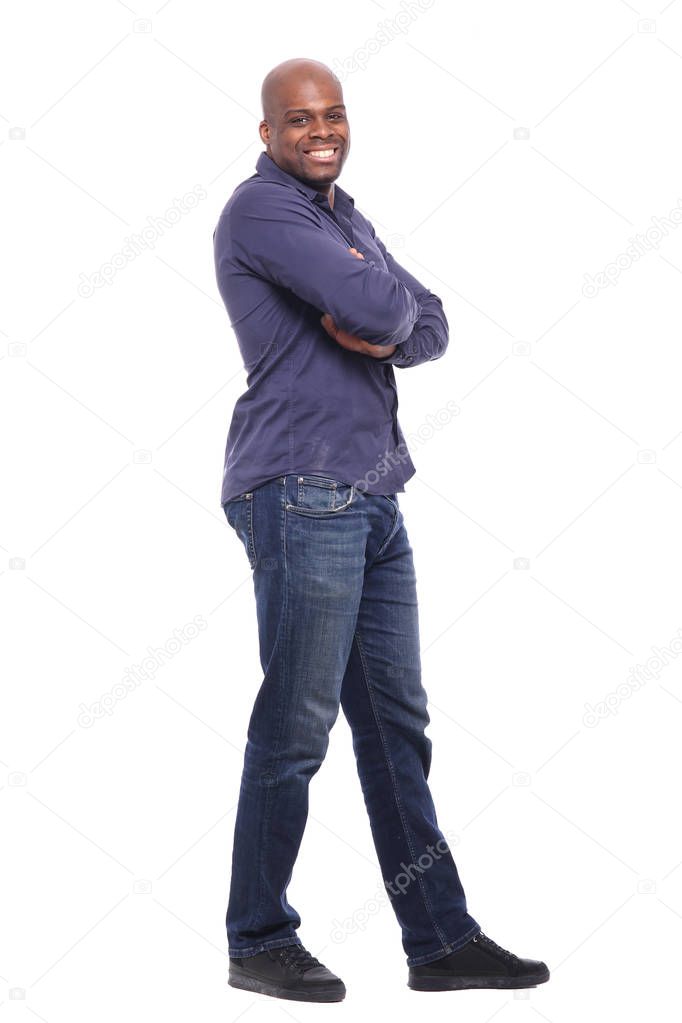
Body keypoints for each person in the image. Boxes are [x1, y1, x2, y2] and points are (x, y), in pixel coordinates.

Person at [213, 56, 550, 1003]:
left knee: (395, 723)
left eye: (334, 116)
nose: (321, 132)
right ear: (268, 131)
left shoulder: (340, 216)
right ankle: (259, 935)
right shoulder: (262, 211)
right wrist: (374, 305)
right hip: (298, 489)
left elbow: (431, 322)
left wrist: (382, 310)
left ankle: (439, 938)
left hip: (372, 494)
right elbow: (376, 304)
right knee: (297, 723)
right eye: (300, 120)